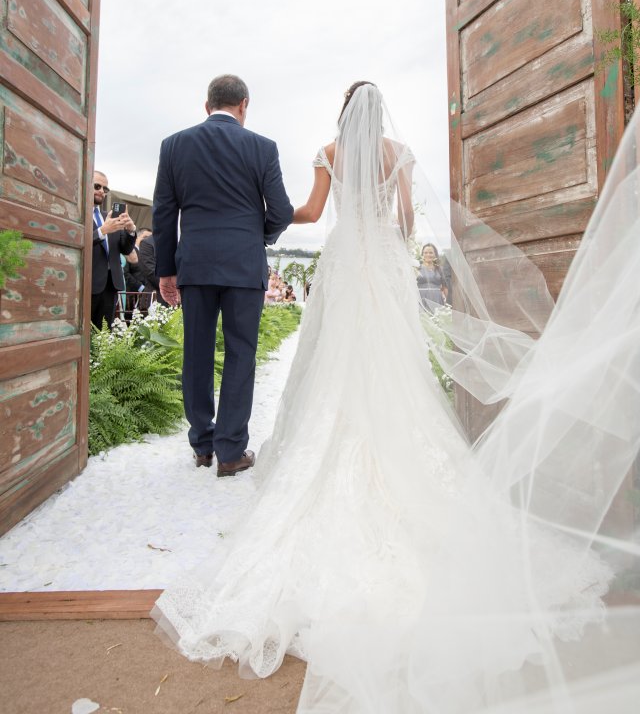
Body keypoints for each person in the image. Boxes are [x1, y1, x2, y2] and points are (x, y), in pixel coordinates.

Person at [154, 83, 640, 713]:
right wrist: (384, 225)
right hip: (377, 260)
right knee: (385, 362)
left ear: (342, 117)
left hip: (331, 260)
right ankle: (262, 445)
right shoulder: (397, 153)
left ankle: (217, 440)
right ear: (381, 116)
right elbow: (407, 220)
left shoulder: (323, 151)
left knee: (293, 360)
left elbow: (305, 212)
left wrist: (265, 217)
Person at [152, 75, 293, 474]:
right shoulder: (263, 147)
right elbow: (281, 211)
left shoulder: (174, 145)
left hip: (194, 265)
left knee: (196, 353)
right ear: (244, 105)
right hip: (244, 267)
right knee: (240, 353)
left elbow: (164, 212)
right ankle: (231, 452)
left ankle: (201, 444)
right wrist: (255, 236)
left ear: (207, 105)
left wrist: (166, 270)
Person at [91, 171, 137, 328]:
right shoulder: (78, 214)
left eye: (105, 189)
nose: (101, 191)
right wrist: (102, 231)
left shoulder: (109, 217)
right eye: (97, 186)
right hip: (89, 283)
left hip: (111, 285)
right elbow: (78, 243)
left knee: (104, 335)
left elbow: (125, 249)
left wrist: (130, 230)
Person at [416, 242, 447, 310]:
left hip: (437, 299)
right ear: (422, 254)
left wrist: (445, 302)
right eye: (425, 253)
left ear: (435, 254)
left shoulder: (439, 269)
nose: (428, 255)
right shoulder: (417, 268)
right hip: (421, 298)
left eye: (431, 252)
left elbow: (444, 287)